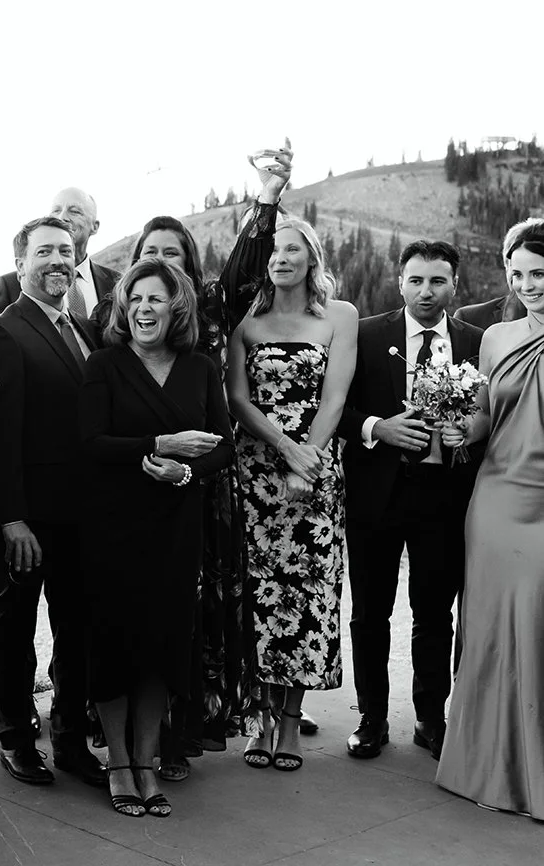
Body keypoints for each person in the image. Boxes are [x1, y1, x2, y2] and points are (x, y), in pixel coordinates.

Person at [79, 259, 234, 817]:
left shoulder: (199, 369)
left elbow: (224, 448)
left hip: (177, 527)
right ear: (124, 308)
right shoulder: (104, 365)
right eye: (136, 299)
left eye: (156, 299)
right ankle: (118, 763)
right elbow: (91, 443)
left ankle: (147, 763)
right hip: (115, 530)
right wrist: (159, 442)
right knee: (117, 644)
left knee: (163, 647)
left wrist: (187, 472)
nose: (145, 309)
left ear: (177, 308)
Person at [0, 216, 108, 790]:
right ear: (20, 260)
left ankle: (72, 739)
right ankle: (16, 739)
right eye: (46, 251)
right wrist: (10, 518)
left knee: (78, 628)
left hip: (84, 514)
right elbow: (0, 437)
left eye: (66, 250)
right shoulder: (3, 332)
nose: (59, 260)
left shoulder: (83, 327)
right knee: (16, 624)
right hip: (29, 517)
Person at [337, 240, 483, 761]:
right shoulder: (365, 335)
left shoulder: (476, 343)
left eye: (437, 281)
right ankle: (371, 718)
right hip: (376, 493)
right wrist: (380, 427)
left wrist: (467, 431)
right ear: (400, 283)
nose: (427, 291)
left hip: (444, 498)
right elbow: (337, 410)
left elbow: (490, 418)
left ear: (454, 286)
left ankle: (429, 718)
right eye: (416, 280)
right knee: (370, 611)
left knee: (433, 612)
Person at [226, 216, 358, 773]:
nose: (280, 257)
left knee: (307, 595)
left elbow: (335, 396)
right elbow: (235, 398)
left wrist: (308, 458)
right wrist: (283, 445)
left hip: (315, 472)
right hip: (255, 472)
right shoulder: (246, 324)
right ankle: (259, 718)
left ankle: (289, 723)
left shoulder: (340, 317)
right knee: (256, 595)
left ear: (311, 259)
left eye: (291, 249)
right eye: (273, 250)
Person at [436, 220, 544, 821]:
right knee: (492, 631)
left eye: (541, 274)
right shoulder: (497, 338)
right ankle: (488, 767)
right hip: (498, 498)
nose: (529, 285)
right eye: (519, 274)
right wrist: (462, 431)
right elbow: (483, 415)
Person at [0, 187, 121, 319]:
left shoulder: (115, 283)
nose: (62, 217)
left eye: (74, 211)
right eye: (56, 210)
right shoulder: (10, 285)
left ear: (95, 226)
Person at [453, 217, 541, 330]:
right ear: (507, 268)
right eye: (518, 274)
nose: (526, 286)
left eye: (538, 274)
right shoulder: (470, 320)